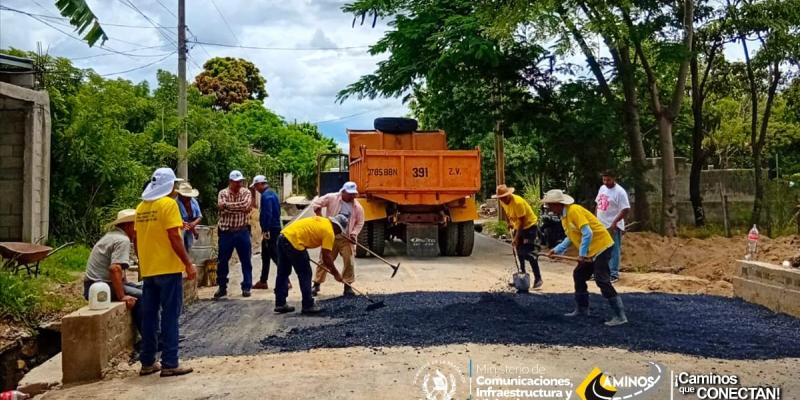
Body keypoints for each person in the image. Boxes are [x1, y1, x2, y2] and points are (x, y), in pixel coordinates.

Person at [135, 167, 196, 377]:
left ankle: (147, 361)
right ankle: (170, 362)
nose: (176, 189)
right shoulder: (169, 204)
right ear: (169, 185)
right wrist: (187, 263)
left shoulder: (141, 207)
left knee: (150, 316)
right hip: (169, 269)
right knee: (171, 315)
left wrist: (142, 264)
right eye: (175, 185)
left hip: (149, 270)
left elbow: (136, 240)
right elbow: (174, 236)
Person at [543, 189, 628, 326]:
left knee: (602, 279)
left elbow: (587, 233)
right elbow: (571, 237)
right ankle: (582, 309)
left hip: (602, 246)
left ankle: (620, 315)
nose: (548, 208)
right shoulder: (564, 217)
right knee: (579, 274)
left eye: (550, 205)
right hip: (590, 251)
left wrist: (582, 254)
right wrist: (557, 250)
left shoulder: (574, 211)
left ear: (558, 204)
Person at [83, 209, 142, 332]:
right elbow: (114, 269)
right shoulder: (122, 240)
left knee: (146, 289)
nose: (138, 229)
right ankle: (153, 337)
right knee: (146, 296)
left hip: (93, 285)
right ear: (127, 225)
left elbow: (119, 269)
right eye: (136, 225)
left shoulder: (113, 235)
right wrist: (122, 296)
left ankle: (156, 335)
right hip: (100, 287)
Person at [275, 215, 346, 315]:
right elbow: (326, 257)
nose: (338, 233)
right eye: (340, 231)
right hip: (294, 242)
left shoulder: (323, 221)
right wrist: (336, 274)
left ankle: (280, 303)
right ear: (337, 226)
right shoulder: (329, 232)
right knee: (305, 273)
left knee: (283, 272)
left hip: (283, 237)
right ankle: (308, 305)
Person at [311, 181, 365, 296]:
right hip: (331, 235)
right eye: (349, 193)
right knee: (324, 260)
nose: (352, 196)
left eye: (353, 194)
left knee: (349, 262)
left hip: (346, 238)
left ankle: (347, 286)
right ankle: (316, 284)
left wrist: (354, 234)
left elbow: (360, 222)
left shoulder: (357, 207)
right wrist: (319, 216)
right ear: (343, 191)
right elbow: (316, 203)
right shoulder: (332, 198)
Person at [493, 184, 543, 289]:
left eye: (503, 197)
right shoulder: (503, 202)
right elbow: (508, 214)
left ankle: (538, 278)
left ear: (508, 195)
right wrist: (510, 223)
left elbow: (522, 222)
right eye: (500, 198)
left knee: (528, 253)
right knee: (518, 252)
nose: (502, 200)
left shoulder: (518, 202)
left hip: (529, 227)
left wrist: (516, 238)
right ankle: (521, 277)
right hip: (518, 227)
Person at [214, 170, 254, 299]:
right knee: (222, 261)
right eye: (236, 182)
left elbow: (247, 206)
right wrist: (239, 208)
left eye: (240, 182)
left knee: (246, 260)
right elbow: (221, 206)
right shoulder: (223, 193)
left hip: (242, 230)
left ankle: (247, 286)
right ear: (230, 182)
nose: (239, 184)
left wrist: (227, 207)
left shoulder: (246, 192)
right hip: (226, 232)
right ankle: (222, 287)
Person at [595, 170, 630, 282]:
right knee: (600, 249)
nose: (606, 182)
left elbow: (625, 209)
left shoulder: (620, 192)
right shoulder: (602, 188)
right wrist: (595, 219)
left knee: (614, 249)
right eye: (604, 179)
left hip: (613, 225)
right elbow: (598, 204)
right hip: (601, 224)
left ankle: (613, 273)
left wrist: (614, 223)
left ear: (614, 178)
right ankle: (600, 272)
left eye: (608, 179)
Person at [251, 175, 283, 290]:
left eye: (255, 186)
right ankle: (263, 280)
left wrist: (265, 229)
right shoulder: (273, 193)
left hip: (270, 229)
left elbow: (267, 213)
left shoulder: (265, 196)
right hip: (275, 227)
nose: (255, 189)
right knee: (265, 255)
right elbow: (278, 211)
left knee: (274, 254)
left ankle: (286, 280)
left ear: (260, 184)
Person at [176, 182, 202, 251]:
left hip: (189, 230)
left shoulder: (193, 201)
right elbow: (179, 221)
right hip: (179, 231)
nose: (189, 198)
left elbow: (199, 216)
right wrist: (193, 230)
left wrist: (193, 224)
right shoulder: (175, 204)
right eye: (187, 196)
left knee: (188, 249)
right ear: (180, 195)